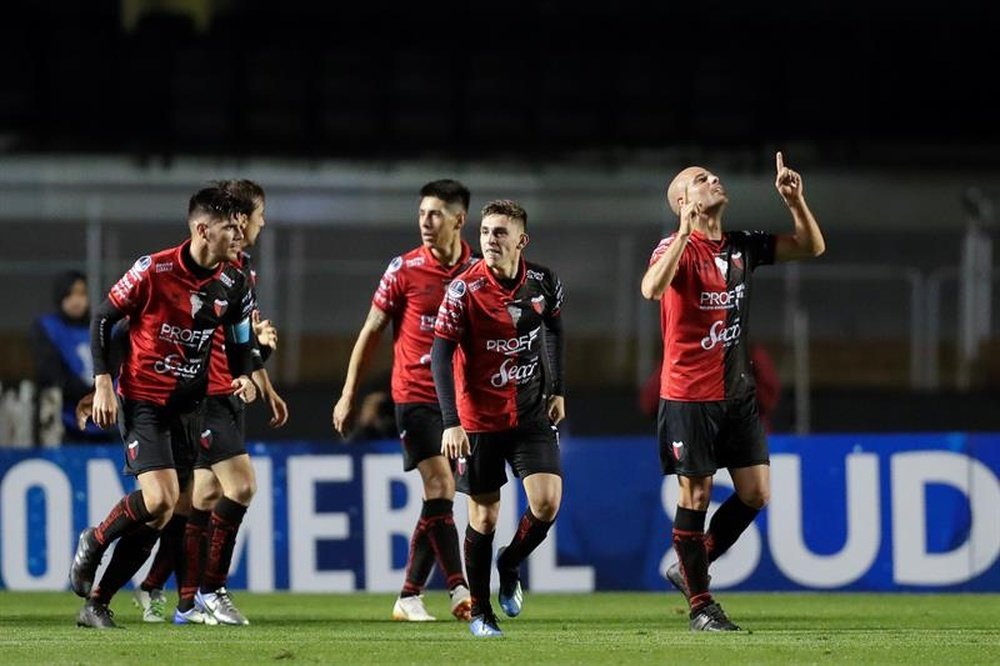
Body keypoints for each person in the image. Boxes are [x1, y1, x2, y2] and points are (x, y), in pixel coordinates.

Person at [640, 152, 825, 631]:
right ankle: (702, 606)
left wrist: (795, 201)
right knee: (696, 494)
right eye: (701, 179)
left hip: (737, 393)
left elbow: (811, 246)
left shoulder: (742, 246)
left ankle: (688, 566)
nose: (714, 178)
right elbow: (651, 289)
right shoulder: (671, 248)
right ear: (684, 202)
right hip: (688, 395)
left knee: (756, 492)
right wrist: (682, 233)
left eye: (712, 174)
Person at [70, 186, 259, 629]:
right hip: (144, 401)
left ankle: (96, 602)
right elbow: (103, 316)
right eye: (229, 228)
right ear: (201, 229)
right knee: (161, 497)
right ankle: (94, 541)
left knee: (162, 515)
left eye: (240, 225)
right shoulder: (153, 270)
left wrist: (246, 374)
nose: (239, 235)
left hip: (189, 407)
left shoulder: (234, 279)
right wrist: (101, 382)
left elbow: (239, 337)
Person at [129, 179, 288, 626]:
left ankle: (174, 596)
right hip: (207, 393)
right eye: (257, 216)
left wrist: (264, 381)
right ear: (240, 219)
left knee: (197, 497)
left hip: (227, 388)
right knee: (235, 487)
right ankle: (208, 590)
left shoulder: (241, 270)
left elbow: (235, 340)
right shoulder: (213, 266)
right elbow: (200, 334)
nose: (259, 224)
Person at [332, 179, 477, 622]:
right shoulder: (404, 269)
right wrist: (348, 394)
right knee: (441, 486)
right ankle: (459, 590)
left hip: (463, 404)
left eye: (435, 214)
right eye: (421, 214)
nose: (425, 223)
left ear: (458, 219)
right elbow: (370, 332)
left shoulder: (478, 273)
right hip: (414, 396)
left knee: (443, 501)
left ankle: (409, 595)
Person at [432, 199, 566, 638]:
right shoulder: (462, 291)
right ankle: (480, 613)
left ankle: (510, 562)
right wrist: (451, 421)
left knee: (546, 503)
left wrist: (558, 389)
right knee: (484, 518)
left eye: (500, 232)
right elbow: (440, 354)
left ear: (521, 240)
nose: (490, 239)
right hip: (478, 421)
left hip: (529, 414)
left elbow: (556, 330)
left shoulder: (544, 282)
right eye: (486, 231)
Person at [29, 270, 106, 444]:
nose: (76, 300)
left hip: (105, 421)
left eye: (81, 294)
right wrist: (93, 393)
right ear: (60, 296)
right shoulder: (47, 328)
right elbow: (50, 373)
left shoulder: (102, 327)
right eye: (70, 294)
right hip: (65, 424)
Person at [639, 343, 781, 432]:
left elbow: (769, 397)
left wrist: (738, 389)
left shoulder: (750, 352)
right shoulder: (680, 353)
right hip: (693, 438)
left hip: (744, 437)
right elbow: (650, 403)